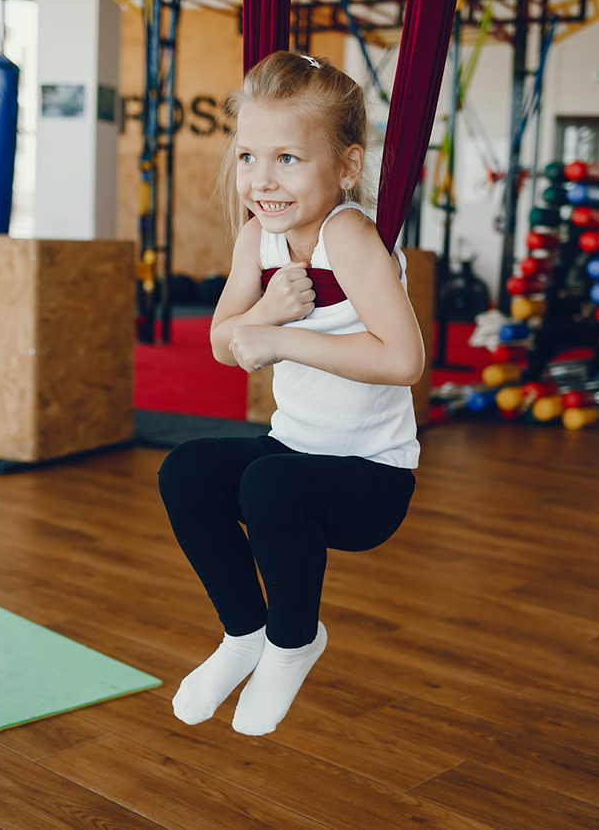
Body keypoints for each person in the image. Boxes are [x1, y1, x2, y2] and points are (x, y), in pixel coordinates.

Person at [157, 51, 423, 736]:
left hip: (372, 480)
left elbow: (404, 361)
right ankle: (245, 632)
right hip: (293, 452)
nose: (261, 181)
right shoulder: (259, 239)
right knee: (187, 470)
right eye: (248, 157)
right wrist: (267, 313)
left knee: (270, 485)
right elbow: (223, 341)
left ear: (347, 167)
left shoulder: (351, 235)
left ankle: (294, 639)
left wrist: (280, 339)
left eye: (287, 160)